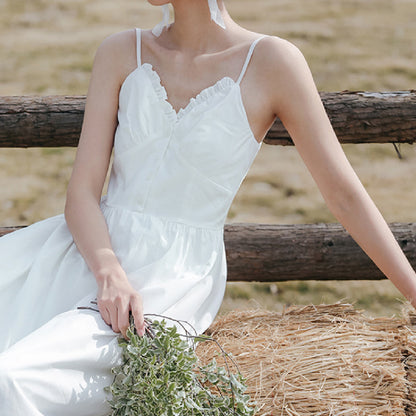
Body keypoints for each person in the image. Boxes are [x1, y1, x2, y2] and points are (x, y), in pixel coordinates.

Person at [0, 0, 416, 414]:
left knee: (17, 376)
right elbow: (81, 194)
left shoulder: (272, 62)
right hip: (82, 252)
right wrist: (109, 272)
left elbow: (344, 195)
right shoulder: (121, 50)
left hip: (170, 278)